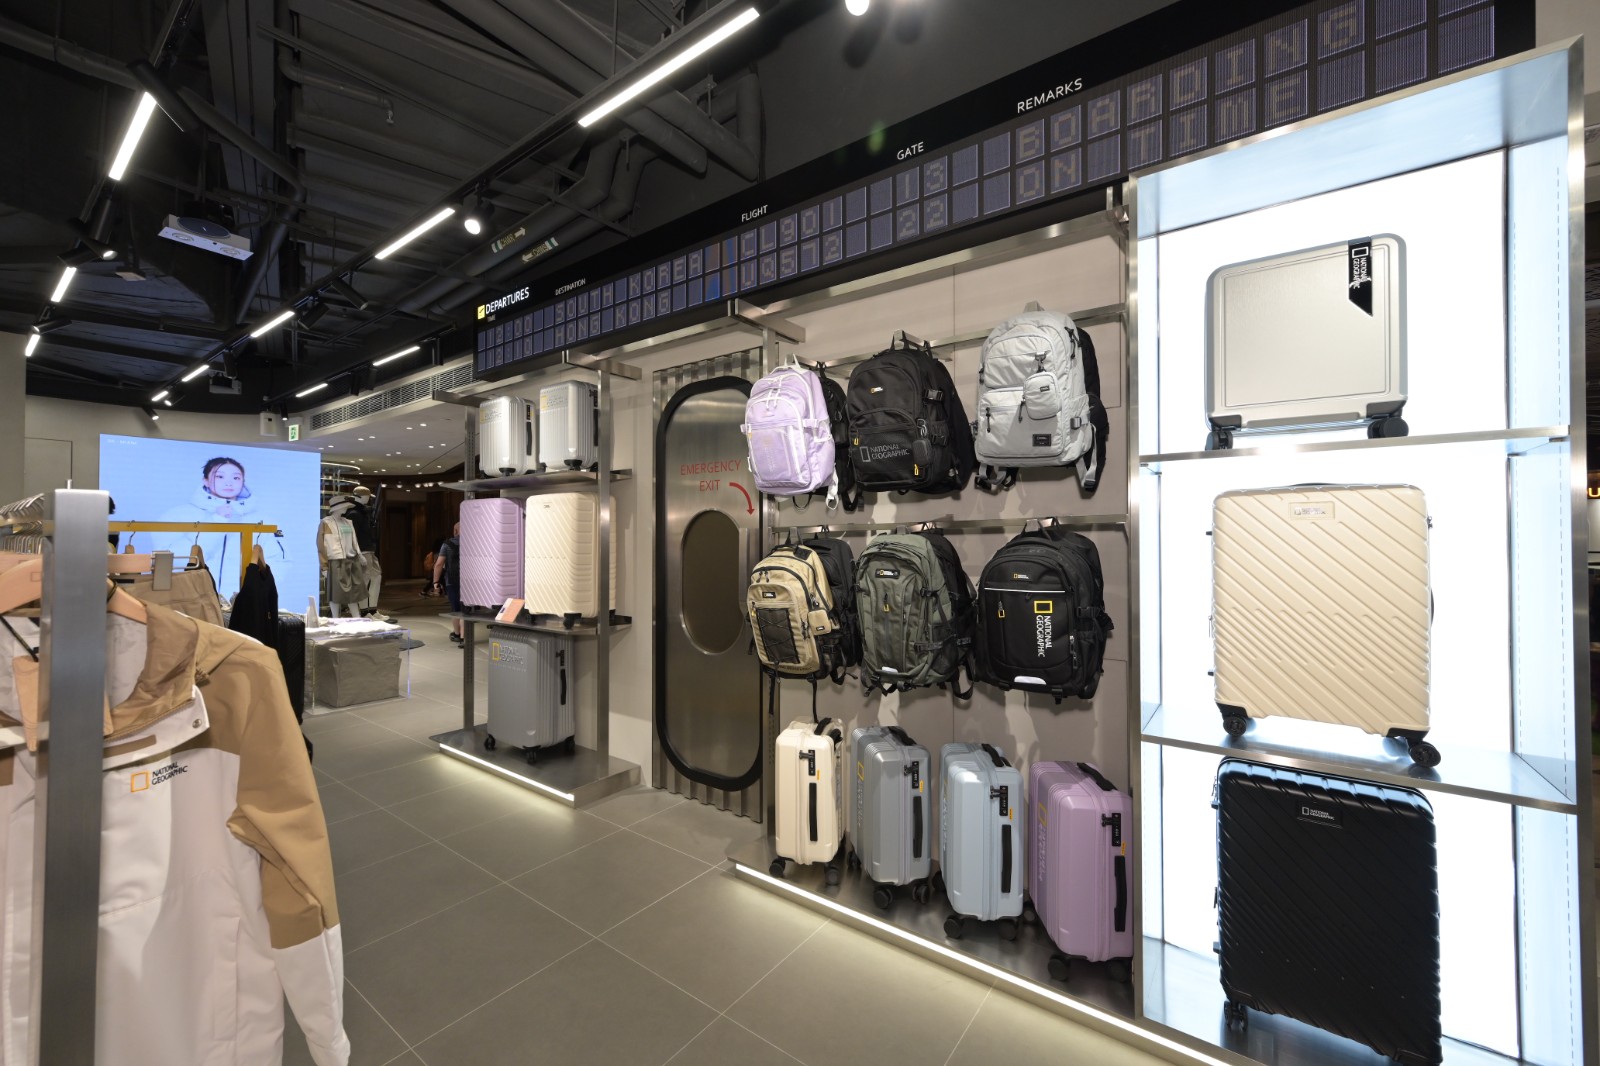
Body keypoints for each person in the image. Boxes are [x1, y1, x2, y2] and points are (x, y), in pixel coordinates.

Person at [157, 456, 287, 602]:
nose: (229, 482)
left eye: (236, 478)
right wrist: (216, 521)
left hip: (243, 606)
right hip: (190, 603)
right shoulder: (178, 515)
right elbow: (167, 561)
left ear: (243, 481)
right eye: (220, 476)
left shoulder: (264, 521)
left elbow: (280, 561)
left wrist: (254, 592)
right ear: (205, 480)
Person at [433, 522, 463, 644]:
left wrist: (436, 582)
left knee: (455, 608)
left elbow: (439, 564)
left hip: (452, 581)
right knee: (466, 609)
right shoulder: (473, 543)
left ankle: (457, 634)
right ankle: (465, 637)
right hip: (470, 582)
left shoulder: (447, 544)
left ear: (455, 531)